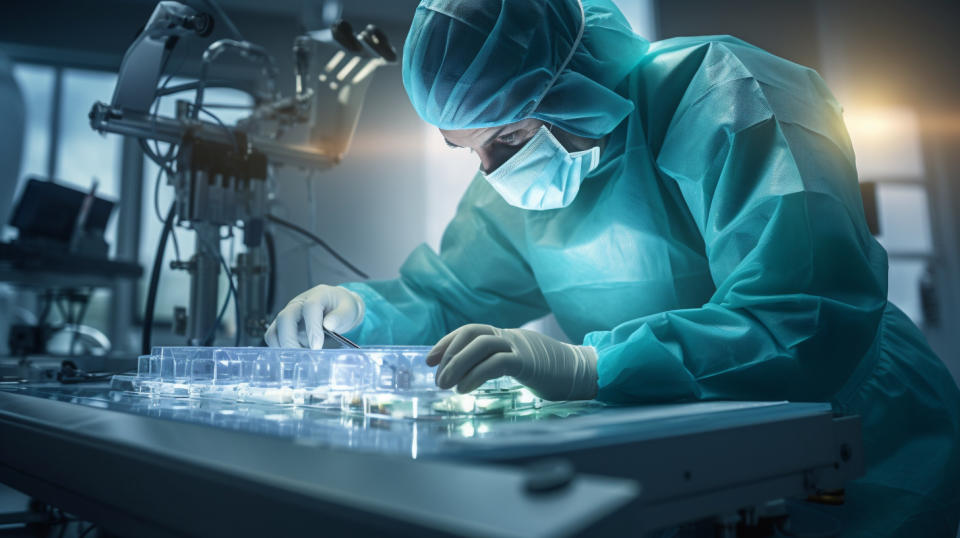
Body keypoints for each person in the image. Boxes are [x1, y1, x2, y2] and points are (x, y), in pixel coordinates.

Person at [266, 0, 960, 534]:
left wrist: (589, 369)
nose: (490, 170)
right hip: (677, 450)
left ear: (572, 79)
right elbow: (448, 295)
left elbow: (803, 319)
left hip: (862, 438)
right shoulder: (512, 180)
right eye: (466, 149)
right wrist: (360, 310)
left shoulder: (727, 98)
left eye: (506, 137)